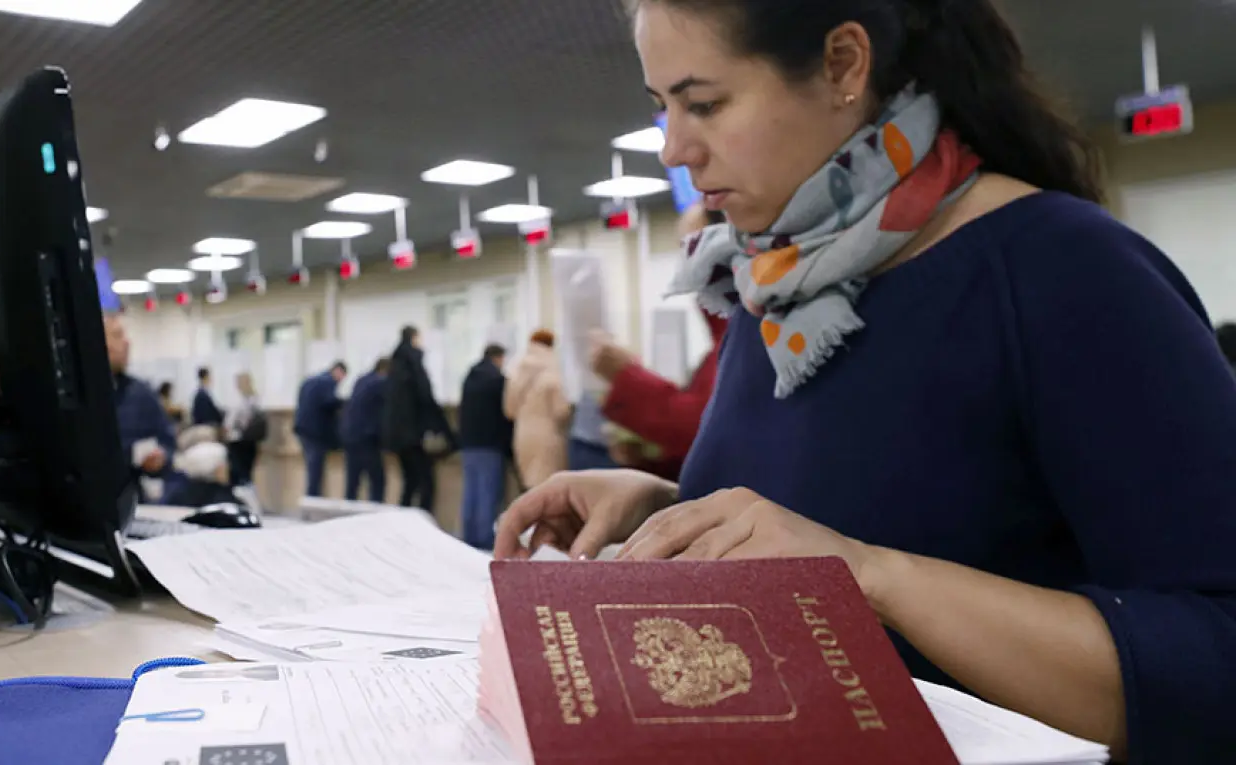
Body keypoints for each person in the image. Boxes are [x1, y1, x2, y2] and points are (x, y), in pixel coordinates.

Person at [495, 1, 1236, 761]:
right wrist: (667, 508)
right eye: (662, 108)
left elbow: (1217, 657)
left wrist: (868, 575)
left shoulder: (1065, 269)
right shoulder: (779, 286)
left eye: (704, 104)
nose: (673, 150)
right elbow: (856, 502)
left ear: (843, 65)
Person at [594, 205, 730, 480]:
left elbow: (704, 428)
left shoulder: (749, 334)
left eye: (693, 247)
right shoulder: (723, 340)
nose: (687, 263)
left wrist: (627, 378)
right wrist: (651, 463)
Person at [382, 326, 453, 512]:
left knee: (410, 482)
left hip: (396, 437)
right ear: (414, 338)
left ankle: (402, 521)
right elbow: (426, 398)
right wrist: (447, 433)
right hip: (414, 435)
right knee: (426, 483)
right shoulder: (414, 362)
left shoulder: (394, 366)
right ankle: (422, 522)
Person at [103, 314, 176, 493]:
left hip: (129, 498)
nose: (127, 343)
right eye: (117, 335)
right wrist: (129, 454)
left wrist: (161, 458)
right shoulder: (71, 397)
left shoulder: (141, 393)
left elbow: (167, 442)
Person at [458, 344, 512, 549]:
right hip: (490, 444)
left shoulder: (469, 378)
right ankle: (485, 539)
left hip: (468, 444)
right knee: (488, 493)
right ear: (498, 358)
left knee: (471, 492)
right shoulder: (497, 380)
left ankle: (469, 536)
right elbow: (506, 414)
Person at [503, 331, 570, 489]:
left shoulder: (517, 372)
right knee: (548, 485)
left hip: (522, 434)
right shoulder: (552, 370)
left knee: (528, 485)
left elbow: (509, 411)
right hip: (547, 434)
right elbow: (561, 411)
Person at [294, 361, 347, 497]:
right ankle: (312, 500)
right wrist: (344, 403)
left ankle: (312, 498)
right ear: (337, 371)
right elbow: (328, 402)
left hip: (303, 430)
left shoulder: (309, 380)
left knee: (312, 469)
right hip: (316, 432)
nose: (341, 381)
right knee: (315, 472)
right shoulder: (328, 382)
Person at [341, 357, 390, 503]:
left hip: (350, 436)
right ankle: (375, 514)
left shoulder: (361, 380)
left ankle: (348, 513)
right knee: (377, 481)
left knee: (352, 482)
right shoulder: (380, 382)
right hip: (366, 438)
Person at [223, 372, 265, 487]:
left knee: (240, 472)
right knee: (245, 472)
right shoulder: (254, 399)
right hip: (246, 440)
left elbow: (229, 422)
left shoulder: (242, 401)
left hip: (240, 440)